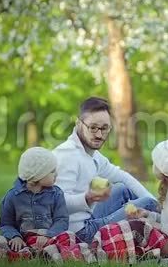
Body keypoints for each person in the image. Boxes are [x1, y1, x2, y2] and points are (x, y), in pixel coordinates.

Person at [53, 97, 158, 243]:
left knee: (122, 189)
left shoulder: (90, 153)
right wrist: (87, 198)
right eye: (93, 127)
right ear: (78, 123)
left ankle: (149, 227)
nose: (99, 134)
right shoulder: (68, 155)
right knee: (147, 203)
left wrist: (155, 202)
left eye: (104, 128)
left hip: (87, 217)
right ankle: (166, 232)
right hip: (78, 233)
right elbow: (55, 204)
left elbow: (122, 176)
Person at [0, 147, 69, 251]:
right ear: (38, 175)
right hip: (22, 240)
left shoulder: (56, 194)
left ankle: (47, 253)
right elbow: (6, 224)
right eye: (52, 171)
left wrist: (49, 236)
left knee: (69, 237)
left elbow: (61, 220)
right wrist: (15, 237)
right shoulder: (12, 197)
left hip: (49, 239)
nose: (56, 174)